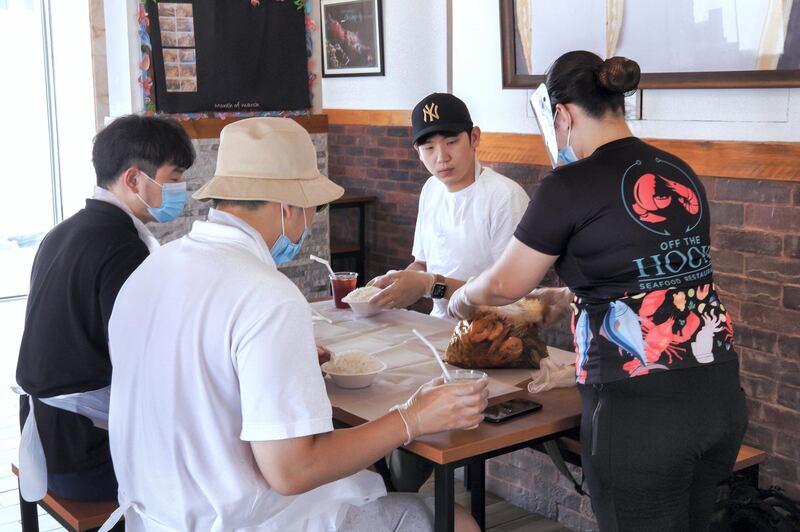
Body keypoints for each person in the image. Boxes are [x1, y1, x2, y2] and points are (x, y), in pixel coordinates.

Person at [103, 117, 486, 532]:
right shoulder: (267, 294)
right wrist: (412, 418)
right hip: (242, 520)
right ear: (288, 206)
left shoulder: (152, 267)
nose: (308, 222)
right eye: (312, 208)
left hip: (155, 512)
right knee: (452, 521)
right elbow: (292, 471)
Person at [448, 51, 748, 532]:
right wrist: (569, 299)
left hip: (642, 415)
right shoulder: (677, 169)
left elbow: (506, 283)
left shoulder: (569, 184)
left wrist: (463, 297)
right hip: (720, 399)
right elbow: (653, 277)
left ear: (561, 114)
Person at [15, 115, 195, 502]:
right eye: (175, 176)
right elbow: (142, 364)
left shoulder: (64, 232)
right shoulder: (123, 249)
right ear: (134, 180)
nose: (182, 189)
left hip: (49, 438)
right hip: (88, 457)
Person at [368, 92, 529, 320]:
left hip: (497, 332)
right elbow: (423, 264)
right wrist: (396, 282)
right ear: (418, 152)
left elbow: (510, 294)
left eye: (452, 142)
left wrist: (431, 285)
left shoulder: (505, 197)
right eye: (429, 148)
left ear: (474, 138)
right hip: (438, 326)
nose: (442, 157)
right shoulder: (431, 189)